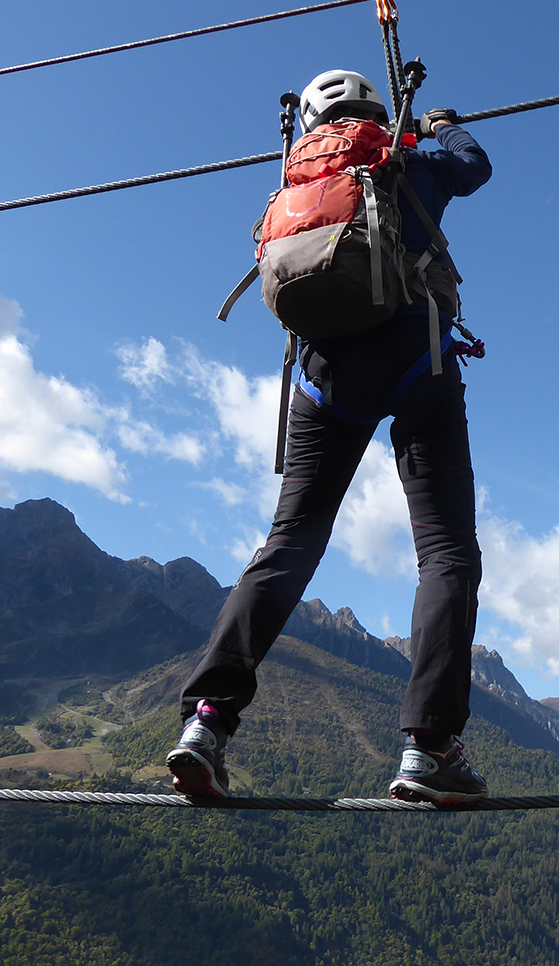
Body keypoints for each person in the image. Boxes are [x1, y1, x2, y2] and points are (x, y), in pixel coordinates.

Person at [166, 69, 493, 804]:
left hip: (322, 374)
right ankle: (431, 747)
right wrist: (440, 125)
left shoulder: (294, 183)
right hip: (415, 355)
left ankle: (207, 721)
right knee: (445, 552)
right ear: (378, 113)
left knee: (288, 544)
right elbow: (476, 166)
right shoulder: (402, 158)